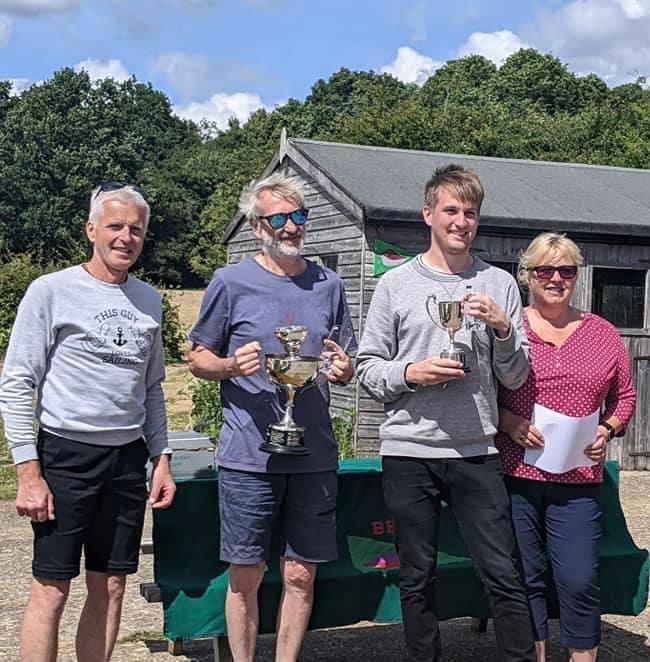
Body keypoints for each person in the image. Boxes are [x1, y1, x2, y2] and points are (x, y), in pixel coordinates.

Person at [356, 164, 536, 662]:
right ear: (429, 214)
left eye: (471, 213)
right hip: (408, 452)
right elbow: (368, 369)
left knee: (502, 571)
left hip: (476, 450)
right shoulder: (396, 285)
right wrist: (412, 373)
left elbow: (517, 376)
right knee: (416, 575)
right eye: (451, 210)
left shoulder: (499, 284)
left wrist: (503, 330)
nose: (461, 221)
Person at [0, 182, 176, 662]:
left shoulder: (149, 302)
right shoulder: (52, 291)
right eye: (115, 226)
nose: (125, 237)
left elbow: (151, 390)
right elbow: (17, 383)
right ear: (92, 230)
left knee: (113, 584)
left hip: (126, 460)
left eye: (135, 229)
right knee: (52, 588)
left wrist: (161, 460)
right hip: (65, 455)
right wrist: (28, 473)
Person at [187, 172, 356, 662]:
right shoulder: (230, 281)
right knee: (247, 574)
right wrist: (226, 366)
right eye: (278, 218)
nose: (289, 227)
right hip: (247, 455)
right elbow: (197, 357)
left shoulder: (329, 284)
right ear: (258, 224)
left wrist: (344, 369)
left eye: (297, 216)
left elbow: (344, 357)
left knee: (302, 573)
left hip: (314, 453)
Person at [496, 233, 636, 662]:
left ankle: (581, 657)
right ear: (528, 276)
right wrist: (510, 422)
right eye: (545, 270)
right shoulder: (510, 329)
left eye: (566, 270)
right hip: (517, 473)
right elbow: (480, 391)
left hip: (578, 477)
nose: (556, 278)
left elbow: (625, 396)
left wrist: (608, 429)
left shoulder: (602, 332)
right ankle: (534, 655)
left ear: (577, 276)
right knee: (528, 577)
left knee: (577, 577)